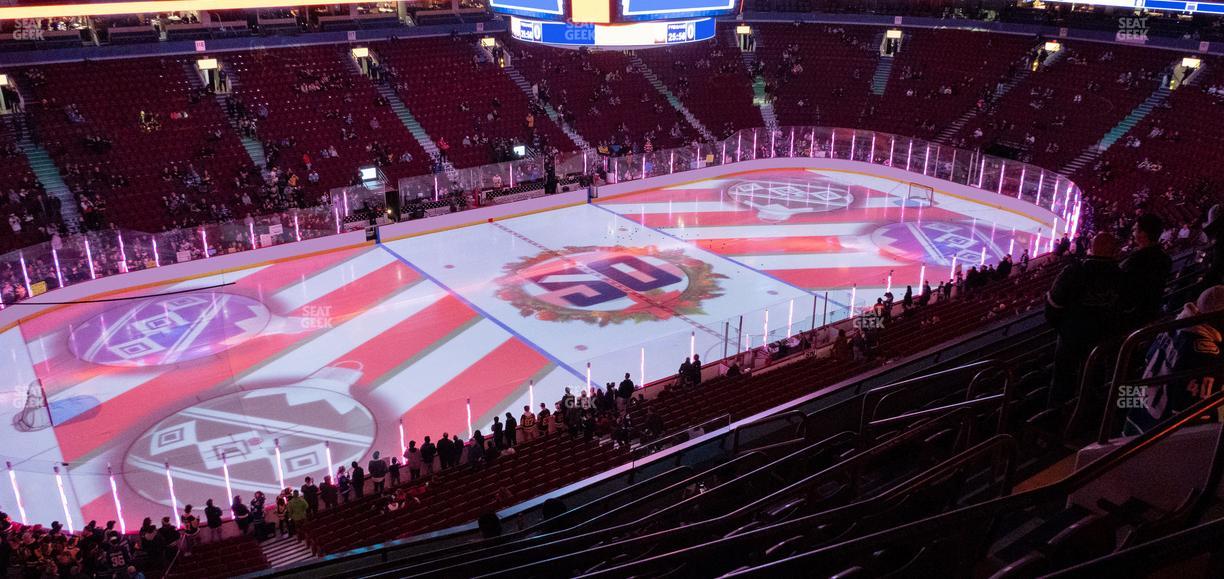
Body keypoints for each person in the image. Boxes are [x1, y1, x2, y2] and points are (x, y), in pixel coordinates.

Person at [1124, 286, 1224, 435]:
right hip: (1157, 439)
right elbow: (1196, 421)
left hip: (1136, 420)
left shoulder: (1172, 327)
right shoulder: (1205, 354)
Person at [1046, 232, 1127, 405]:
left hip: (1071, 336)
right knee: (1094, 377)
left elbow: (1053, 304)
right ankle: (1089, 412)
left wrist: (1062, 328)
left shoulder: (1074, 270)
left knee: (1063, 379)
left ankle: (1056, 416)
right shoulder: (1121, 276)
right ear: (1114, 251)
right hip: (1102, 339)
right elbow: (1124, 308)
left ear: (1091, 248)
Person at [1121, 214, 1172, 327]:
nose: (1133, 233)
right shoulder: (1164, 258)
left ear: (1143, 234)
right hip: (1152, 309)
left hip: (1133, 315)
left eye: (1135, 230)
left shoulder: (1136, 260)